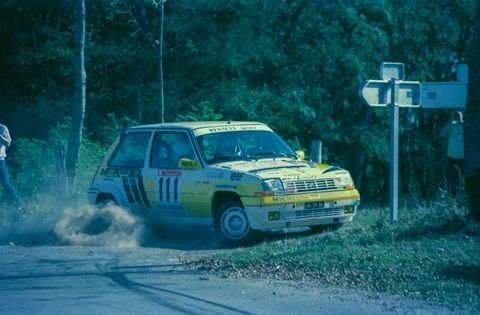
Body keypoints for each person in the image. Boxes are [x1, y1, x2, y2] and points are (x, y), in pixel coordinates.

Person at [440, 111, 464, 196]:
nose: (457, 116)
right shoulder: (452, 125)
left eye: (459, 115)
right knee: (452, 181)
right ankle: (453, 200)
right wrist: (450, 120)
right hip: (452, 159)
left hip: (464, 160)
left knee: (462, 181)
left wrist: (462, 122)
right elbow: (442, 134)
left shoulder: (467, 126)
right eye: (456, 115)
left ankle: (463, 200)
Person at [0, 123, 22, 208]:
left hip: (0, 161)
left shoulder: (2, 128)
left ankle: (18, 203)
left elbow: (8, 143)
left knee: (6, 183)